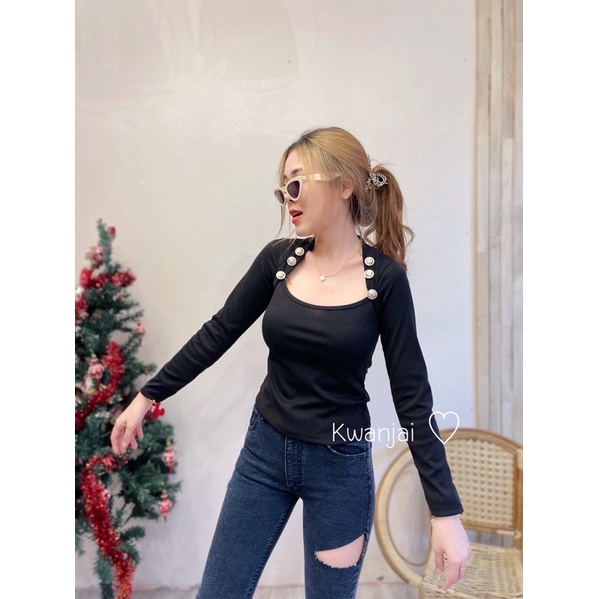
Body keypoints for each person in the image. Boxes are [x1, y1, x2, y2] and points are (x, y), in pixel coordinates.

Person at [110, 126, 471, 598]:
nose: (288, 199)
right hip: (264, 453)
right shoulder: (278, 261)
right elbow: (219, 331)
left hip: (339, 468)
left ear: (345, 185)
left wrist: (445, 511)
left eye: (297, 184)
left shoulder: (384, 281)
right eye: (282, 189)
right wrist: (147, 395)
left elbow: (412, 396)